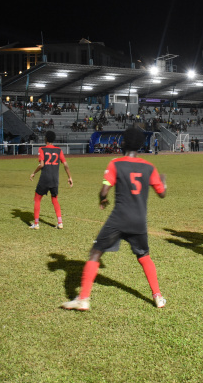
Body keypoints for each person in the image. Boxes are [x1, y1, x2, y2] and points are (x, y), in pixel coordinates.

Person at [63, 127, 167, 311]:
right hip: (139, 221)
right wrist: (164, 182)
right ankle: (157, 296)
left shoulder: (116, 163)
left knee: (95, 253)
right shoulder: (149, 167)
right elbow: (162, 193)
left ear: (123, 143)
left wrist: (103, 199)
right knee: (144, 256)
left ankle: (83, 298)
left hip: (118, 219)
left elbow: (104, 190)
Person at [29, 130, 73, 230]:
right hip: (54, 179)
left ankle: (36, 224)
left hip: (45, 178)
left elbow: (42, 165)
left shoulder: (42, 149)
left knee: (37, 199)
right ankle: (60, 222)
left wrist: (34, 173)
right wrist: (69, 177)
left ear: (46, 139)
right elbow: (65, 164)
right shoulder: (59, 150)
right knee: (55, 200)